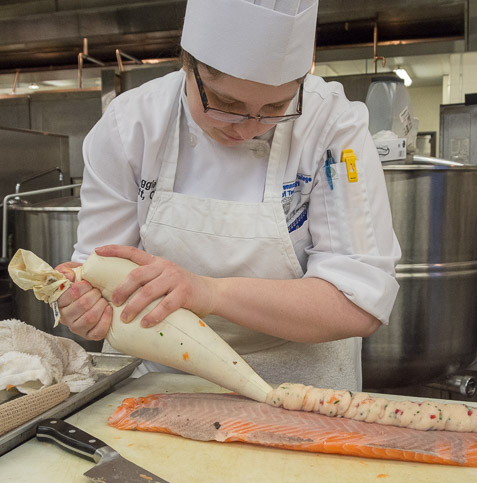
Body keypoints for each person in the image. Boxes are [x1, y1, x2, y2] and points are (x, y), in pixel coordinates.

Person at [56, 0, 401, 392]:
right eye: (226, 105)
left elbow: (359, 302)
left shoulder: (331, 125)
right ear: (188, 65)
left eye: (275, 108)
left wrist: (210, 292)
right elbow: (96, 273)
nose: (249, 129)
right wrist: (80, 303)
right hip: (164, 382)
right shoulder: (131, 126)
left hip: (306, 388)